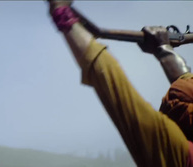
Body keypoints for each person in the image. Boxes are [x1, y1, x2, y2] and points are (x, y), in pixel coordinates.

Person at [47, 0, 193, 166]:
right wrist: (163, 49)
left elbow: (120, 94)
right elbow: (186, 88)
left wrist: (61, 13)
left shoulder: (181, 157)